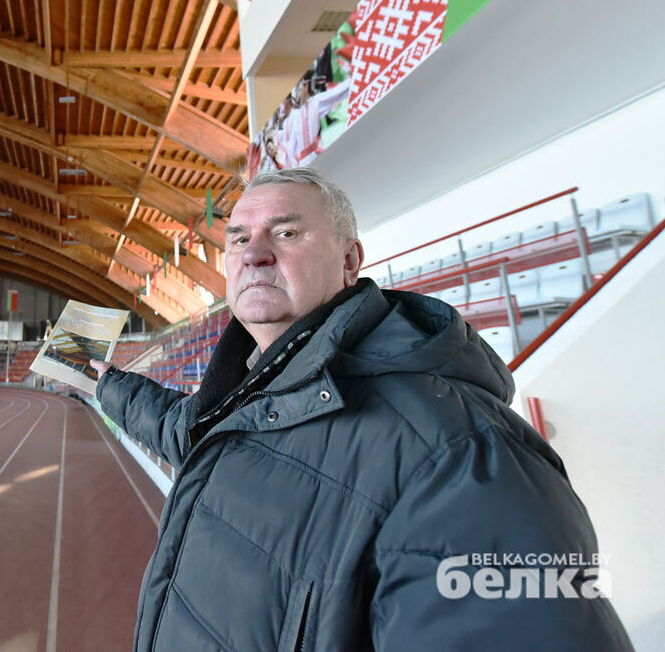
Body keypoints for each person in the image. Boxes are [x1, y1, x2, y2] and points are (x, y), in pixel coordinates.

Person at [91, 168, 630, 651]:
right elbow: (184, 430)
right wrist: (107, 383)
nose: (254, 253)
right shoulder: (250, 391)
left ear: (349, 261)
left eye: (286, 233)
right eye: (238, 238)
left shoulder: (461, 455)